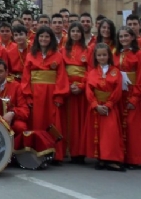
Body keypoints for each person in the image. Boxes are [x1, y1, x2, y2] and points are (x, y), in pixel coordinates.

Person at [21, 26, 69, 163]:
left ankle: (55, 153)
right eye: (41, 36)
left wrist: (59, 95)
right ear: (37, 38)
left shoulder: (58, 55)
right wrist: (28, 96)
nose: (44, 39)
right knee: (36, 122)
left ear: (51, 39)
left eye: (47, 37)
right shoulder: (31, 55)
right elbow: (26, 78)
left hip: (51, 94)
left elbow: (61, 76)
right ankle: (37, 151)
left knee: (53, 122)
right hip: (36, 94)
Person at [86, 43, 125, 172]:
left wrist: (108, 105)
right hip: (96, 107)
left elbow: (117, 90)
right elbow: (89, 90)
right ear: (95, 57)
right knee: (97, 133)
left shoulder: (115, 71)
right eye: (99, 55)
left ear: (109, 56)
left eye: (104, 55)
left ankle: (112, 159)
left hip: (109, 107)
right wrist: (95, 105)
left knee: (110, 134)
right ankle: (101, 158)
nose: (102, 57)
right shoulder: (91, 72)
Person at [115, 26, 141, 168]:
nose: (123, 39)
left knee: (133, 126)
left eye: (126, 36)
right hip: (119, 94)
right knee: (120, 126)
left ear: (132, 37)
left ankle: (136, 158)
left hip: (133, 93)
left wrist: (135, 97)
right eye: (121, 36)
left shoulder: (139, 54)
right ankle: (121, 156)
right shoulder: (115, 54)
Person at [60, 22, 89, 164]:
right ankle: (68, 150)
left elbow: (90, 70)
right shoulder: (63, 50)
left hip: (82, 91)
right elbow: (61, 71)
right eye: (73, 31)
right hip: (69, 89)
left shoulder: (88, 50)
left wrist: (82, 86)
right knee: (69, 121)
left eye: (78, 31)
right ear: (69, 33)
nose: (76, 33)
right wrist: (68, 85)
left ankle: (80, 152)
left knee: (81, 121)